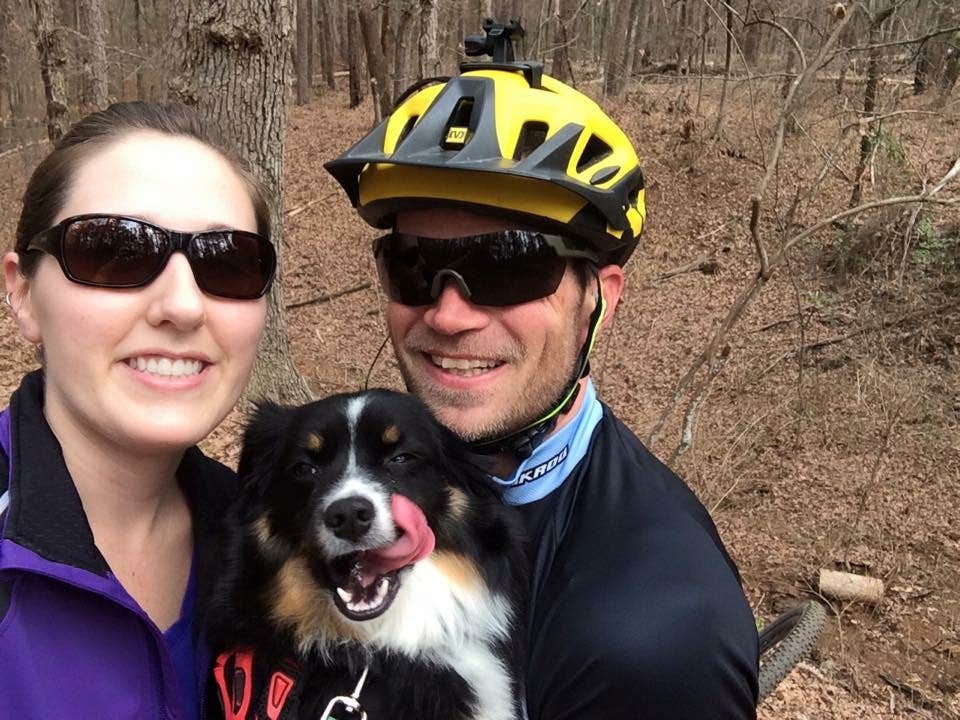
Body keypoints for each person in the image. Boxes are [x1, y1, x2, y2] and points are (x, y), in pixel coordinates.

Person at [325, 22, 759, 719]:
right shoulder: (372, 461)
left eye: (508, 266)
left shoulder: (650, 637)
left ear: (599, 299)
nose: (448, 314)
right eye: (411, 266)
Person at [0, 102, 275, 720]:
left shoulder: (281, 550)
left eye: (226, 261)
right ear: (22, 294)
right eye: (115, 251)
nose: (182, 306)